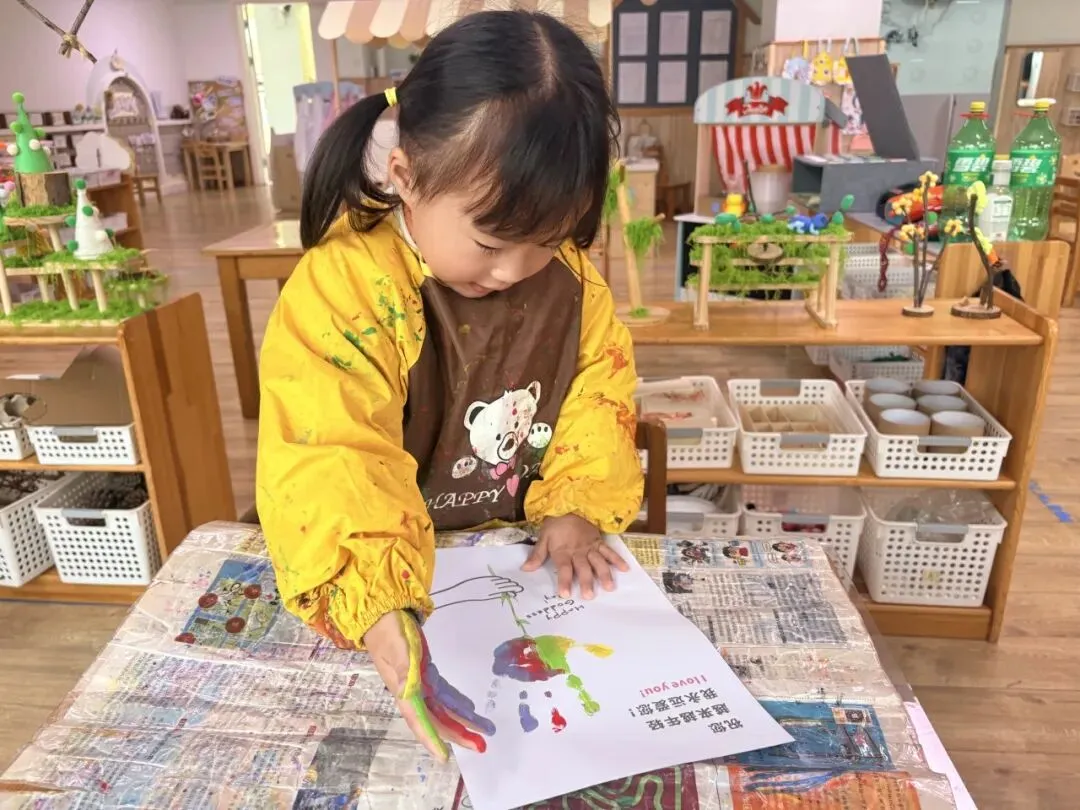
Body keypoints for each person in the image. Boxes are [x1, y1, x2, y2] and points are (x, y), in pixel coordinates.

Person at [256, 10, 642, 765]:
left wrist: (575, 503)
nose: (516, 271)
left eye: (550, 240)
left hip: (515, 558)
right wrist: (376, 602)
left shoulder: (573, 287)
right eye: (491, 242)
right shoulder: (345, 289)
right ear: (406, 177)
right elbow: (332, 452)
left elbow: (598, 394)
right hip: (394, 579)